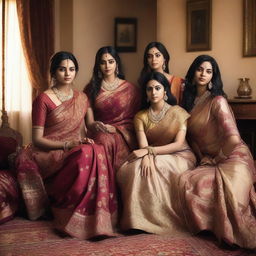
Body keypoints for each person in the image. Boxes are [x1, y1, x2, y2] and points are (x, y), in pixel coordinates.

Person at [15, 51, 117, 240]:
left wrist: (99, 126)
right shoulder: (43, 99)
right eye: (62, 69)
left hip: (73, 146)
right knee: (85, 153)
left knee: (96, 150)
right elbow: (37, 139)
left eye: (71, 69)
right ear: (54, 72)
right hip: (49, 150)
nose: (67, 73)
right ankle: (69, 215)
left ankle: (96, 217)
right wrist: (67, 144)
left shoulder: (82, 98)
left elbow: (90, 124)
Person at [179, 54, 256, 249]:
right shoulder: (188, 102)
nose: (203, 74)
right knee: (189, 181)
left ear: (213, 76)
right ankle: (210, 229)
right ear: (193, 72)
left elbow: (234, 139)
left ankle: (232, 233)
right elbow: (191, 138)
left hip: (232, 156)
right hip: (209, 158)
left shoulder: (217, 101)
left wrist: (218, 158)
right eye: (200, 69)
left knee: (228, 188)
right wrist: (202, 158)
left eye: (208, 71)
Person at [117, 71, 196, 235]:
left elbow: (178, 144)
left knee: (156, 166)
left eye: (157, 88)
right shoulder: (141, 116)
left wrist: (149, 153)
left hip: (180, 155)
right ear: (145, 93)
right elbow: (143, 143)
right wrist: (146, 156)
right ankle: (136, 221)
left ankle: (160, 220)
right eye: (149, 89)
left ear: (165, 91)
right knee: (133, 168)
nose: (153, 92)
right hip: (152, 153)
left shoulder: (178, 113)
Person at [84, 46, 140, 170]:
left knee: (106, 141)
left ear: (117, 63)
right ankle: (103, 184)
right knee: (101, 140)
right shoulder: (91, 89)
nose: (107, 66)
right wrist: (96, 125)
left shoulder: (131, 89)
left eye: (111, 61)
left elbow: (137, 120)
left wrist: (116, 129)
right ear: (98, 66)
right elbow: (89, 122)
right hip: (100, 133)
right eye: (103, 62)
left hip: (124, 136)